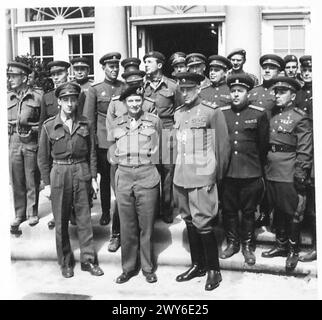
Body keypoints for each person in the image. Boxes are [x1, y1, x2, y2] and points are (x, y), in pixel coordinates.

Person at [37, 82, 104, 278]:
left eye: (72, 100)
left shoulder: (85, 123)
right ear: (59, 102)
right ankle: (65, 262)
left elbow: (91, 153)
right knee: (61, 220)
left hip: (81, 170)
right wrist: (47, 184)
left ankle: (88, 260)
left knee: (84, 219)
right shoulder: (49, 126)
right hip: (59, 172)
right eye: (65, 100)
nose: (69, 104)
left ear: (77, 101)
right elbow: (42, 158)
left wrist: (93, 178)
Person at [173, 72, 230, 291]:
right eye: (182, 89)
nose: (185, 93)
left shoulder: (210, 112)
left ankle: (213, 270)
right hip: (181, 176)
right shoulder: (179, 114)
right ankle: (197, 264)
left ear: (199, 88)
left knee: (204, 222)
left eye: (189, 88)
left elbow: (222, 148)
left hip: (202, 177)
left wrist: (215, 177)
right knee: (188, 220)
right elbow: (175, 146)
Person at [107, 84, 161, 284]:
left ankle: (147, 267)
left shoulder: (154, 121)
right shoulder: (116, 123)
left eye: (138, 100)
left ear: (143, 101)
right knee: (127, 225)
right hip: (124, 176)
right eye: (130, 101)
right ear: (124, 103)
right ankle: (128, 267)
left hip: (147, 174)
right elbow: (111, 151)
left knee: (146, 226)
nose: (135, 104)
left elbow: (162, 150)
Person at [261, 76, 313, 272]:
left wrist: (301, 173)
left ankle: (293, 250)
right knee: (277, 209)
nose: (277, 95)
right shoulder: (271, 114)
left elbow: (305, 149)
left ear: (292, 95)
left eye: (282, 92)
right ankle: (281, 245)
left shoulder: (300, 117)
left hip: (289, 169)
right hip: (272, 168)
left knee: (292, 211)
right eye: (276, 91)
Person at [105, 57, 156, 253]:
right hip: (121, 161)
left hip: (144, 163)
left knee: (145, 207)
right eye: (130, 82)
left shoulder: (149, 104)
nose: (134, 85)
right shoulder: (116, 103)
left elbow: (155, 135)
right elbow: (111, 133)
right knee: (121, 201)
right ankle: (116, 234)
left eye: (138, 82)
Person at [220, 74, 269, 265]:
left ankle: (247, 245)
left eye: (240, 91)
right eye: (232, 91)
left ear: (248, 93)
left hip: (251, 171)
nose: (235, 95)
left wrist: (256, 167)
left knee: (249, 211)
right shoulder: (222, 113)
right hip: (229, 172)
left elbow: (263, 145)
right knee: (229, 210)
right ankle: (232, 243)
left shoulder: (258, 114)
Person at [83, 52, 125, 229]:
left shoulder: (124, 87)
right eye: (111, 67)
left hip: (123, 140)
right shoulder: (95, 88)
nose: (114, 70)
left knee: (122, 178)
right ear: (103, 68)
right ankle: (106, 211)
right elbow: (88, 118)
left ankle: (122, 212)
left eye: (116, 66)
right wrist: (91, 142)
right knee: (106, 179)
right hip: (103, 141)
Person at [143, 50, 181, 224]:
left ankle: (167, 208)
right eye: (145, 62)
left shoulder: (173, 86)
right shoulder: (142, 86)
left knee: (167, 172)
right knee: (150, 170)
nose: (146, 65)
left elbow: (179, 110)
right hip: (148, 132)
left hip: (167, 130)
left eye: (149, 62)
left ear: (159, 65)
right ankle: (152, 208)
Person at [248, 54, 285, 228]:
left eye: (272, 68)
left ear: (279, 71)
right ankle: (261, 213)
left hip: (273, 142)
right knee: (258, 179)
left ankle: (273, 215)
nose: (268, 70)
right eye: (265, 68)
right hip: (255, 143)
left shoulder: (281, 92)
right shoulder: (254, 92)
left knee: (273, 181)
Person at [8, 61, 42, 234]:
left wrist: (33, 129)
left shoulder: (37, 97)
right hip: (13, 139)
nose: (10, 79)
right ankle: (19, 213)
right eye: (9, 76)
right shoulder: (7, 97)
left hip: (30, 139)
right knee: (17, 178)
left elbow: (43, 121)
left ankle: (32, 212)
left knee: (31, 177)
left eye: (14, 76)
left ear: (23, 77)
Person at [38, 60, 71, 230]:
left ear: (67, 73)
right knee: (55, 181)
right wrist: (41, 145)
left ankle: (74, 212)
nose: (56, 77)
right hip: (54, 144)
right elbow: (43, 122)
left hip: (72, 142)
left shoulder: (77, 94)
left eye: (60, 73)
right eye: (53, 74)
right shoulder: (47, 97)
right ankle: (56, 214)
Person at [295, 55, 316, 262]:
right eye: (306, 70)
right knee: (304, 201)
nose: (308, 72)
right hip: (303, 152)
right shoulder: (297, 95)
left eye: (311, 69)